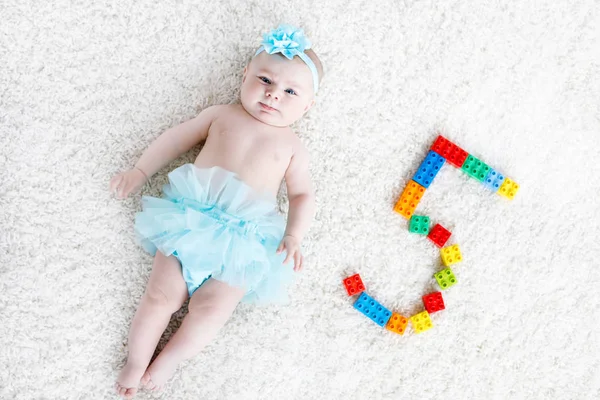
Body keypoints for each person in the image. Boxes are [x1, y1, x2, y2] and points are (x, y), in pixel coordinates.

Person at [110, 24, 323, 398]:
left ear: (307, 106)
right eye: (265, 80)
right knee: (160, 296)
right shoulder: (221, 115)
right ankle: (135, 359)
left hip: (244, 241)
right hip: (189, 221)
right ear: (244, 75)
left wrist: (294, 234)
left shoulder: (292, 146)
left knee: (211, 310)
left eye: (290, 92)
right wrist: (140, 170)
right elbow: (176, 139)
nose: (273, 94)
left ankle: (169, 361)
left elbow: (302, 193)